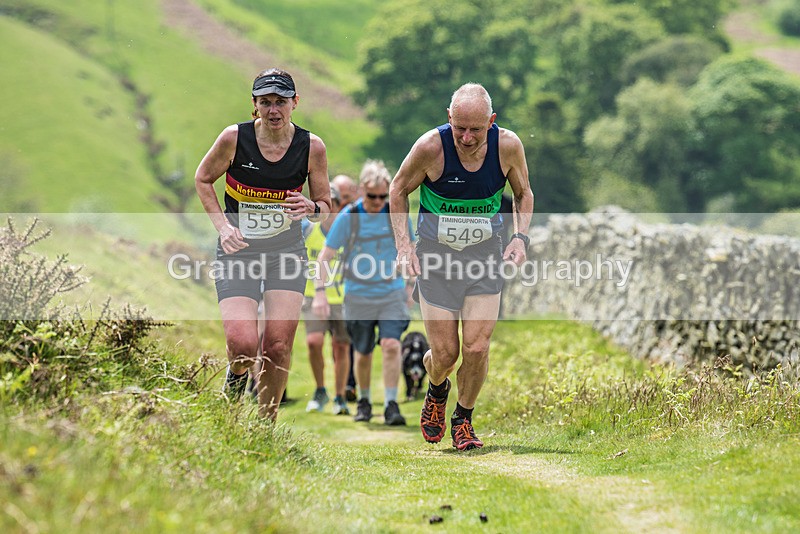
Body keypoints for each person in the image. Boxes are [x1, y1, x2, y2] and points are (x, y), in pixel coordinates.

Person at [389, 83, 534, 450]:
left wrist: (520, 237)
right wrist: (405, 248)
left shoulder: (508, 146)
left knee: (476, 347)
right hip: (437, 259)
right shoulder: (430, 148)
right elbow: (397, 190)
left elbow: (523, 194)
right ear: (448, 117)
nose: (467, 138)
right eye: (460, 128)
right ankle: (436, 389)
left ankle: (463, 420)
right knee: (446, 355)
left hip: (485, 257)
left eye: (477, 129)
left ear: (492, 121)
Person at [195, 68, 331, 421]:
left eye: (281, 102)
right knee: (241, 345)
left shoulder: (311, 147)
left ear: (295, 103)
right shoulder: (234, 139)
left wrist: (311, 208)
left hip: (285, 252)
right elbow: (203, 179)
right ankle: (234, 388)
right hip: (238, 251)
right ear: (254, 105)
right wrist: (223, 227)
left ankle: (264, 427)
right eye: (266, 102)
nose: (274, 110)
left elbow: (324, 206)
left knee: (278, 346)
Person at [314, 160, 415, 426]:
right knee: (363, 351)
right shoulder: (349, 217)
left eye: (384, 196)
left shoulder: (396, 215)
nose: (379, 201)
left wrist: (410, 287)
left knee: (392, 345)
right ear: (362, 190)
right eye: (372, 196)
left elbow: (411, 251)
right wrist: (320, 292)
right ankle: (365, 400)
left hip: (391, 293)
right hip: (357, 295)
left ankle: (392, 404)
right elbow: (325, 256)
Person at [301, 183, 352, 415]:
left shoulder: (348, 231)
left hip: (342, 298)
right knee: (314, 342)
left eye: (335, 203)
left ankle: (340, 396)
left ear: (340, 205)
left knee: (341, 347)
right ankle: (320, 389)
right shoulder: (307, 229)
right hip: (313, 296)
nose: (330, 208)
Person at [331, 174, 360, 402]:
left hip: (353, 287)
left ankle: (350, 383)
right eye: (339, 200)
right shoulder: (325, 220)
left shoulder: (357, 218)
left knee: (348, 338)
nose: (342, 205)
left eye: (347, 199)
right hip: (327, 289)